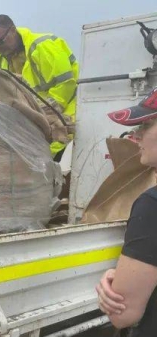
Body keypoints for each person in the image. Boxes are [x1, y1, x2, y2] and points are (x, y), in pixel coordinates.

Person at [95, 87, 157, 336]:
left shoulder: (152, 205)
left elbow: (122, 313)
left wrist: (116, 281)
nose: (135, 136)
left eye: (145, 126)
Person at [0, 14, 79, 159]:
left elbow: (65, 85)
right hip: (35, 123)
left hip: (65, 116)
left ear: (12, 30)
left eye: (0, 42)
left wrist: (40, 116)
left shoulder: (43, 46)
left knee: (50, 160)